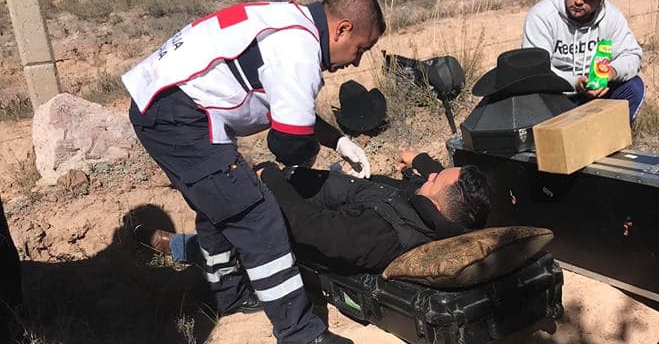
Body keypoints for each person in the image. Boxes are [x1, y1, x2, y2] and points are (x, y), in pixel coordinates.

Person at [122, 0, 386, 344]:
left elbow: (288, 107)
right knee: (257, 215)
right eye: (360, 48)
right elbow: (288, 142)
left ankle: (227, 295)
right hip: (177, 115)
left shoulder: (291, 23)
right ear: (342, 29)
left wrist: (337, 140)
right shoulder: (299, 49)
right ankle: (297, 332)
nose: (356, 61)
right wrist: (301, 166)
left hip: (168, 103)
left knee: (220, 205)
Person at [136, 150, 491, 275]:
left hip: (291, 218)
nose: (429, 176)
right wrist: (420, 161)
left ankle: (184, 249)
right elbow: (442, 179)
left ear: (440, 205)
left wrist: (269, 177)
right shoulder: (435, 211)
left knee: (237, 223)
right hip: (328, 190)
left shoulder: (384, 234)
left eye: (434, 179)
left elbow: (307, 227)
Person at [522, 0, 645, 122]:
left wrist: (610, 73)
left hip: (596, 94)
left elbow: (632, 55)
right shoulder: (542, 16)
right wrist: (576, 82)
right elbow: (535, 70)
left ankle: (606, 141)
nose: (579, 0)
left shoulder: (612, 17)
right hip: (555, 95)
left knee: (634, 87)